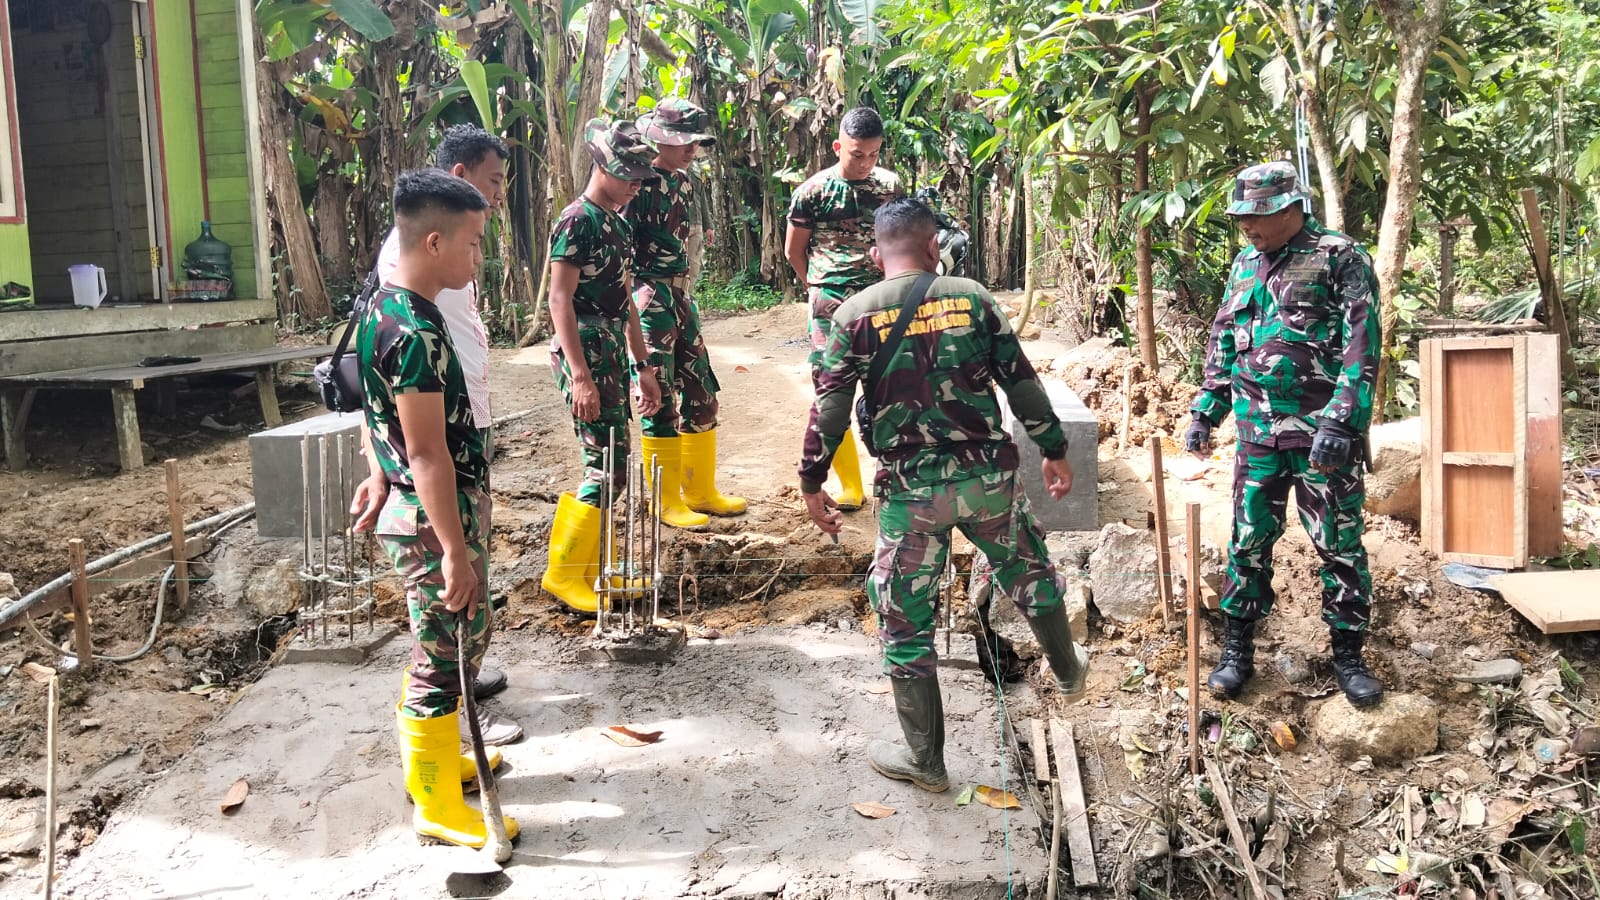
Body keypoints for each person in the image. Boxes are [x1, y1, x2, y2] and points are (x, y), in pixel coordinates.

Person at [799, 198, 1089, 793]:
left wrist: (812, 481)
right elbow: (1022, 381)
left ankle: (927, 763)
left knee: (905, 622)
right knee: (1029, 570)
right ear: (934, 246)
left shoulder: (851, 314)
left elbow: (828, 409)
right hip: (988, 483)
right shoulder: (975, 298)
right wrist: (1055, 449)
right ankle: (1067, 670)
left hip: (911, 495)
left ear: (877, 254)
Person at [355, 169, 518, 847]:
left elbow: (368, 411)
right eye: (474, 245)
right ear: (432, 241)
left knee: (462, 636)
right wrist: (454, 550)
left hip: (421, 504)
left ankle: (443, 757)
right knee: (444, 646)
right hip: (430, 517)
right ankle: (434, 801)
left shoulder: (385, 309)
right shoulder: (415, 333)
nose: (478, 259)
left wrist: (376, 470)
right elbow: (425, 453)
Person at [1184, 161, 1384, 709]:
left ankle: (1348, 656)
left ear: (1293, 208)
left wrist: (1344, 420)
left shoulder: (1339, 256)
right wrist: (1207, 411)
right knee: (1248, 543)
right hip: (1258, 435)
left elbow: (1362, 344)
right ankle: (1237, 652)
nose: (1248, 224)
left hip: (1324, 438)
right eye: (1241, 215)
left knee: (1339, 547)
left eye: (1259, 214)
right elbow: (1227, 340)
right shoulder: (1246, 263)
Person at [540, 119, 664, 612]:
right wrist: (580, 375)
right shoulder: (578, 220)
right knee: (603, 465)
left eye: (641, 174)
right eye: (628, 173)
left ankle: (587, 569)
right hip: (585, 346)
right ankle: (565, 574)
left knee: (614, 461)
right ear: (601, 166)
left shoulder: (618, 221)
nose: (636, 183)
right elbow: (559, 299)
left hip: (611, 345)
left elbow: (626, 301)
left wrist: (643, 365)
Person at [628, 98, 745, 529]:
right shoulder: (635, 182)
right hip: (648, 296)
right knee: (658, 395)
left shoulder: (683, 181)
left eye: (696, 141)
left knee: (702, 390)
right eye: (684, 141)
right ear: (657, 137)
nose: (691, 149)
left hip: (680, 294)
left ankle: (700, 491)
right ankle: (665, 501)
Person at [785, 106, 904, 510]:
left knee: (888, 386)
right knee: (831, 389)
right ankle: (850, 485)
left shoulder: (890, 186)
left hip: (879, 301)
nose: (866, 163)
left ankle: (891, 476)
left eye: (873, 154)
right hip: (830, 302)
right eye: (857, 154)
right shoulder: (812, 192)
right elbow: (794, 250)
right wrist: (818, 288)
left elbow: (900, 242)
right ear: (838, 147)